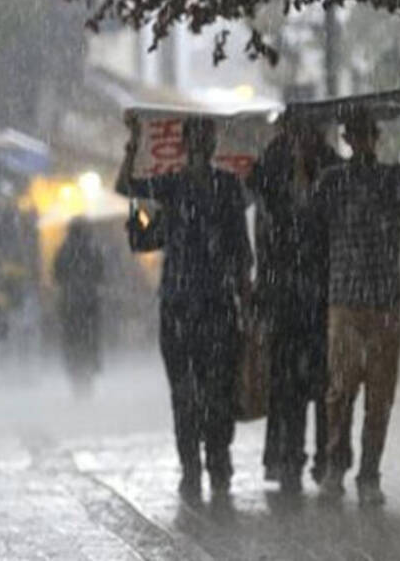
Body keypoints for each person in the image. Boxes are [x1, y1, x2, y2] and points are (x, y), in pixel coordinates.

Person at [116, 114, 253, 501]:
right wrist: (133, 143)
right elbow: (129, 187)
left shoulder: (225, 188)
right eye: (195, 140)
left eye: (203, 140)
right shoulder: (173, 187)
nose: (199, 147)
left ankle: (215, 460)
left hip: (213, 304)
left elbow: (241, 251)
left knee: (216, 389)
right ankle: (194, 465)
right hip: (181, 305)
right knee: (186, 391)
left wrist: (245, 298)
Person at [314, 103, 400, 506]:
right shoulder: (332, 181)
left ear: (374, 138)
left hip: (383, 301)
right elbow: (306, 213)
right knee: (340, 391)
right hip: (346, 301)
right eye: (356, 134)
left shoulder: (391, 179)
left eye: (367, 133)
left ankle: (370, 473)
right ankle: (336, 465)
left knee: (379, 396)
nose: (362, 140)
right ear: (348, 139)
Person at [247, 113, 341, 494]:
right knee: (287, 383)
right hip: (284, 293)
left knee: (322, 383)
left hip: (320, 292)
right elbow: (258, 195)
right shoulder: (274, 164)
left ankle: (324, 458)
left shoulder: (330, 167)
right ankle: (289, 457)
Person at [53, 217, 105, 397]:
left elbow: (57, 275)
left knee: (72, 342)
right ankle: (88, 378)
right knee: (89, 342)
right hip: (89, 303)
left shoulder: (64, 250)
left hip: (69, 304)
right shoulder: (92, 249)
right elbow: (101, 273)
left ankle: (76, 380)